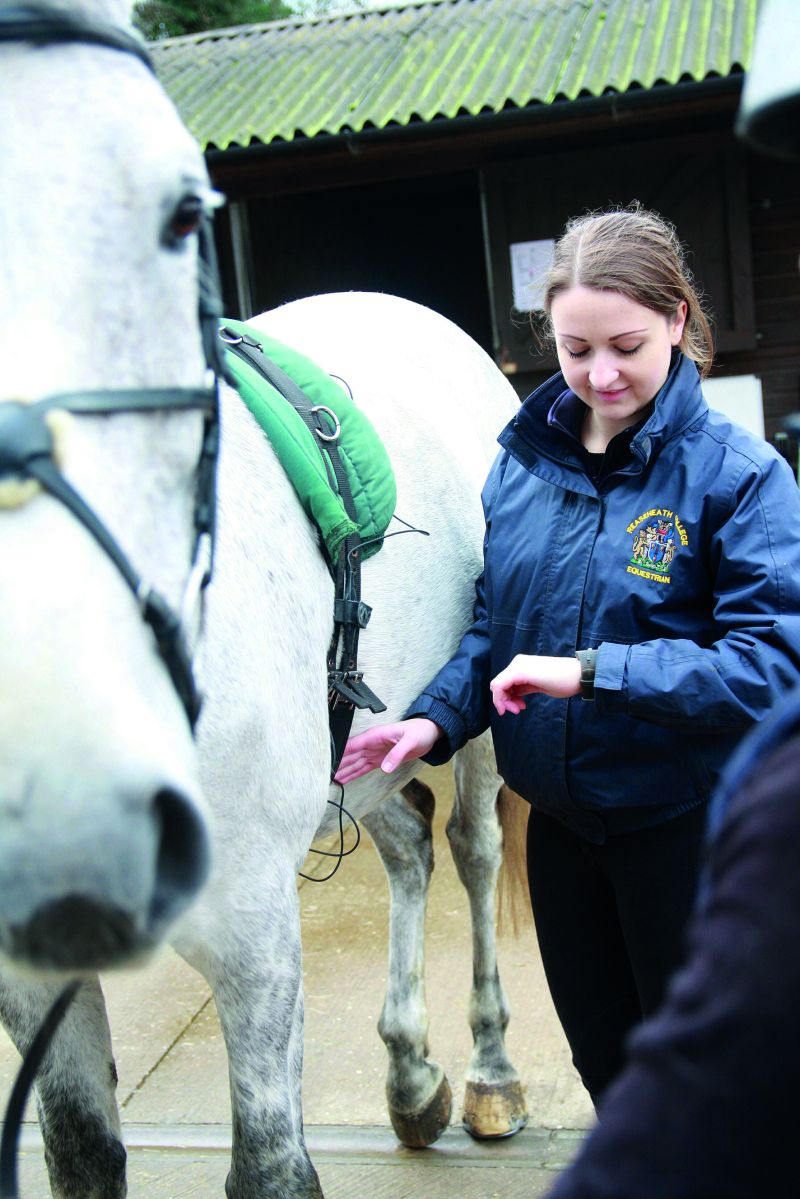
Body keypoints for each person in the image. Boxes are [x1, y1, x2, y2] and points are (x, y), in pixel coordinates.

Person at [336, 202, 800, 1109]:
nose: (600, 373)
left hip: (687, 830)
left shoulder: (738, 476)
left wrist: (591, 672)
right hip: (559, 835)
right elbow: (493, 630)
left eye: (626, 344)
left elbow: (771, 667)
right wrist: (433, 718)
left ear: (676, 318)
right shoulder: (520, 468)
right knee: (609, 1070)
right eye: (574, 349)